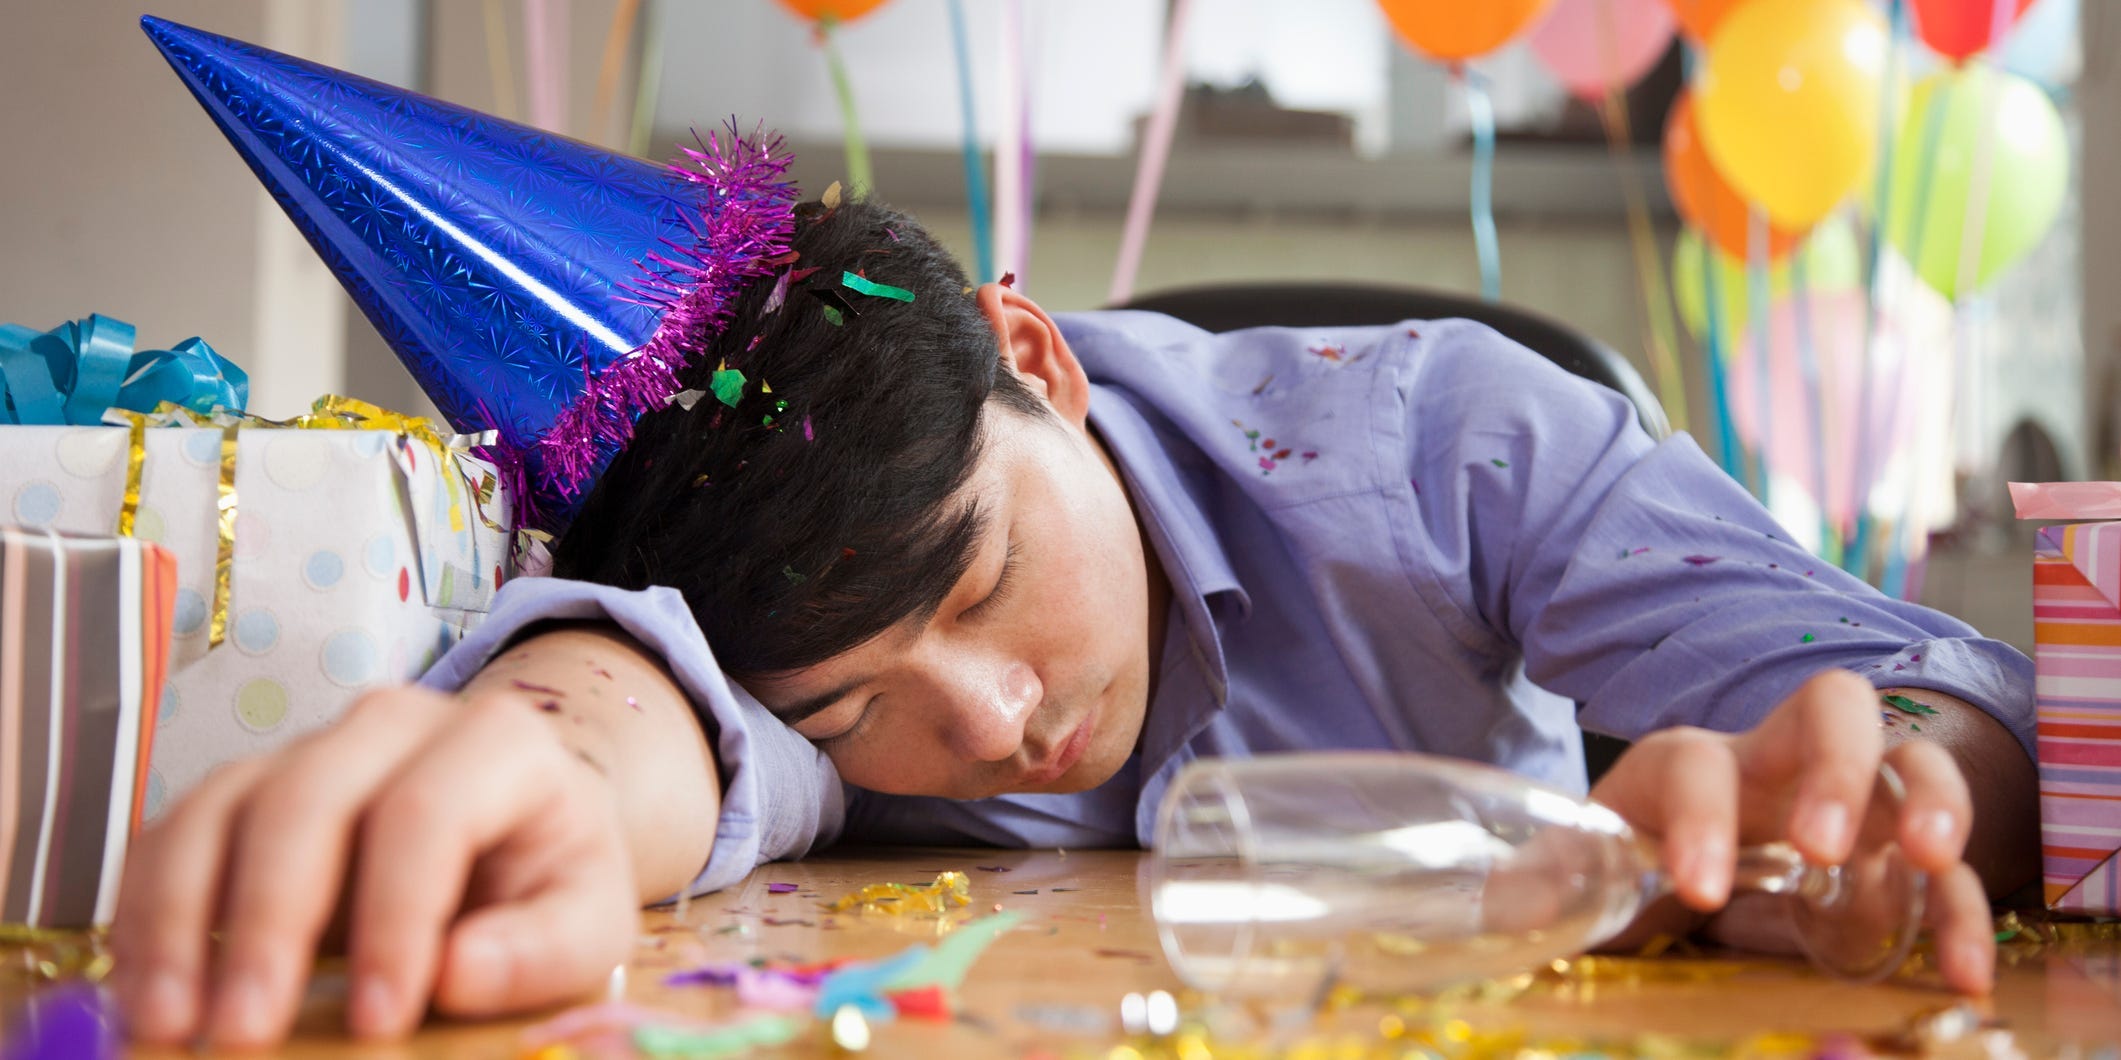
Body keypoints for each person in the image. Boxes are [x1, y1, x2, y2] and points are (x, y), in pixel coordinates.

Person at [109, 198, 2039, 1049]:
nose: (996, 715)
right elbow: (652, 706)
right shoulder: (776, 674)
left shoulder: (1435, 436)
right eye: (860, 702)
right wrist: (527, 754)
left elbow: (1937, 694)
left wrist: (1901, 796)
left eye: (973, 575)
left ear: (1036, 360)